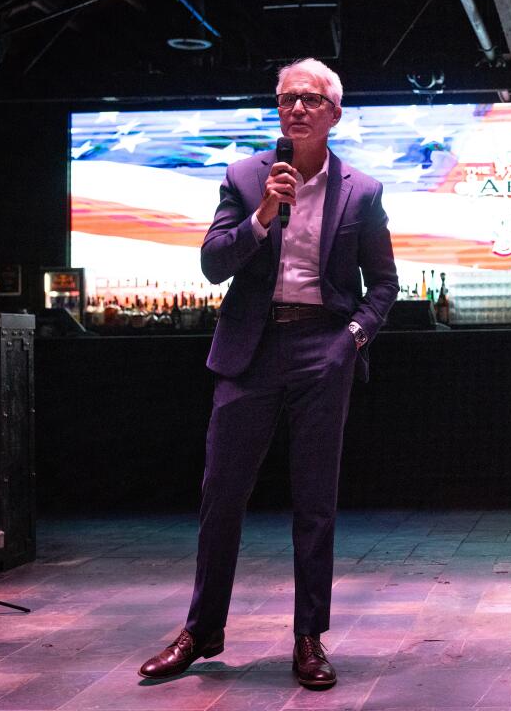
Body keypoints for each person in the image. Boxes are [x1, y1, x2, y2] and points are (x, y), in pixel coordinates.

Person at [138, 58, 399, 689]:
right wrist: (261, 217)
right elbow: (210, 264)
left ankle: (308, 636)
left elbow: (384, 285)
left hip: (323, 349)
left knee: (314, 501)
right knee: (220, 494)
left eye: (310, 99)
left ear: (334, 113)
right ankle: (202, 630)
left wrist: (353, 340)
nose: (296, 108)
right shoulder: (245, 177)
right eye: (286, 98)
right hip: (250, 351)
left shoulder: (361, 191)